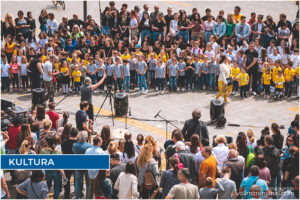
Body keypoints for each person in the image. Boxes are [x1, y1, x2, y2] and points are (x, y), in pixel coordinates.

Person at [72, 131, 92, 198]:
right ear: (86, 138)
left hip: (78, 165)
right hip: (87, 166)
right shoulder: (90, 146)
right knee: (88, 183)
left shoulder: (75, 145)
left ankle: (78, 197)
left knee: (78, 183)